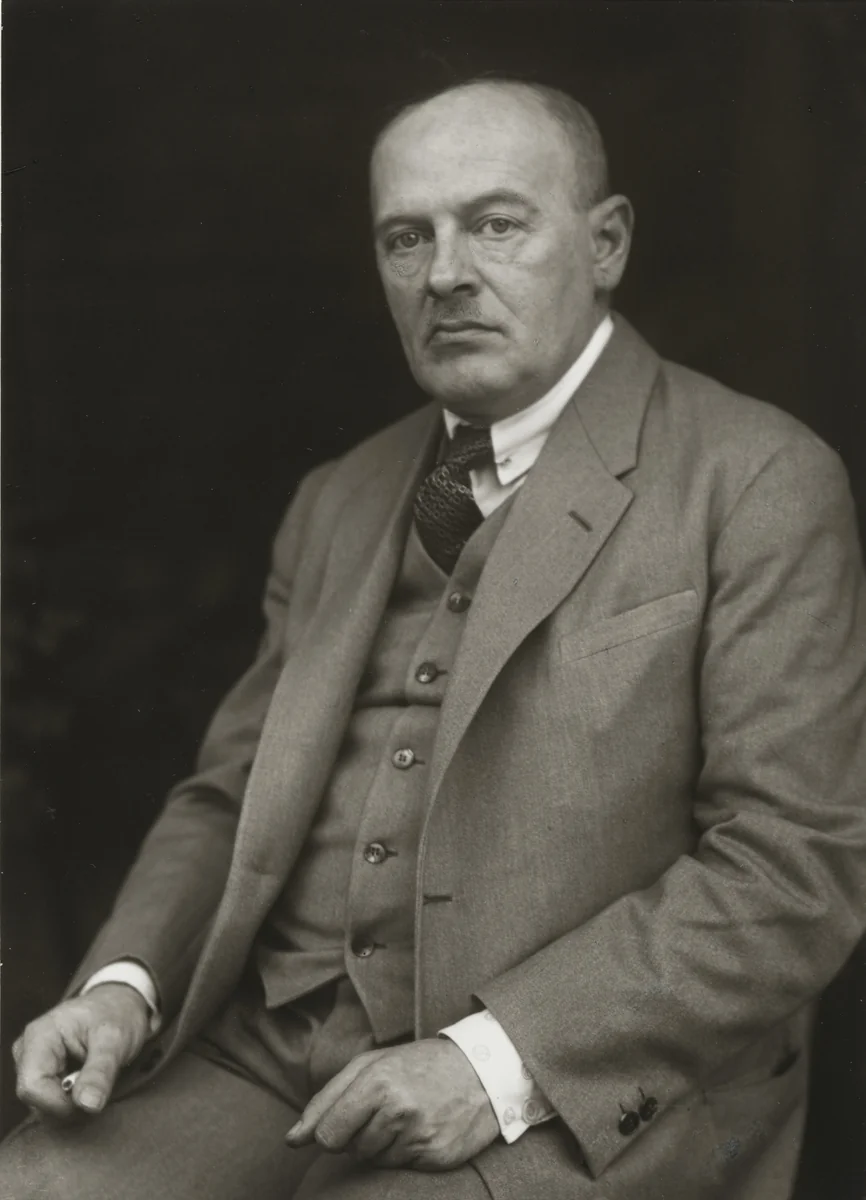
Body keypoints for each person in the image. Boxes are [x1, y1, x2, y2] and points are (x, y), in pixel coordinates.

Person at [3, 75, 866, 1200]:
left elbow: (791, 870)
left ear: (604, 244)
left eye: (495, 224)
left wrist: (487, 1059)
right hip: (273, 1054)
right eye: (405, 238)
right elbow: (228, 794)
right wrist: (121, 985)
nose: (444, 274)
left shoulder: (755, 478)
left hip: (563, 1081)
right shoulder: (337, 497)